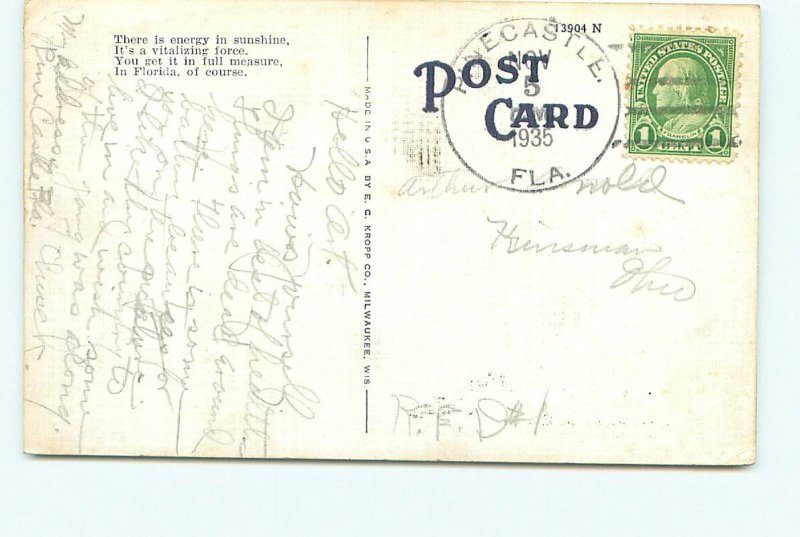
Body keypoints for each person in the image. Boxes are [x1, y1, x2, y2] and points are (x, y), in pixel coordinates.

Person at [651, 57, 713, 134]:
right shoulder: (672, 125)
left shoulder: (692, 125)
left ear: (682, 87)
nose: (654, 91)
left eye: (662, 83)